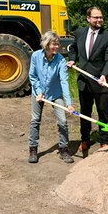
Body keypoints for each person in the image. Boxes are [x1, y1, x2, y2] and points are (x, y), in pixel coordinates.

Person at [67, 6, 108, 155]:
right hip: (84, 81)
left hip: (102, 82)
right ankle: (85, 140)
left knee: (103, 113)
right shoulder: (80, 32)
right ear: (88, 18)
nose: (99, 20)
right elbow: (73, 48)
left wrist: (104, 75)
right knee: (85, 113)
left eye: (101, 17)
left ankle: (104, 141)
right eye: (96, 17)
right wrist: (72, 60)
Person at [28, 31, 75, 164]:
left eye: (57, 44)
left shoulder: (60, 60)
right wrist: (39, 92)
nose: (56, 47)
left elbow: (64, 82)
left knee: (62, 121)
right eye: (54, 44)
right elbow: (32, 76)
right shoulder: (36, 56)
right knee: (35, 120)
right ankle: (33, 150)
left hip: (55, 93)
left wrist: (69, 104)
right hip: (38, 94)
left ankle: (64, 149)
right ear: (46, 44)